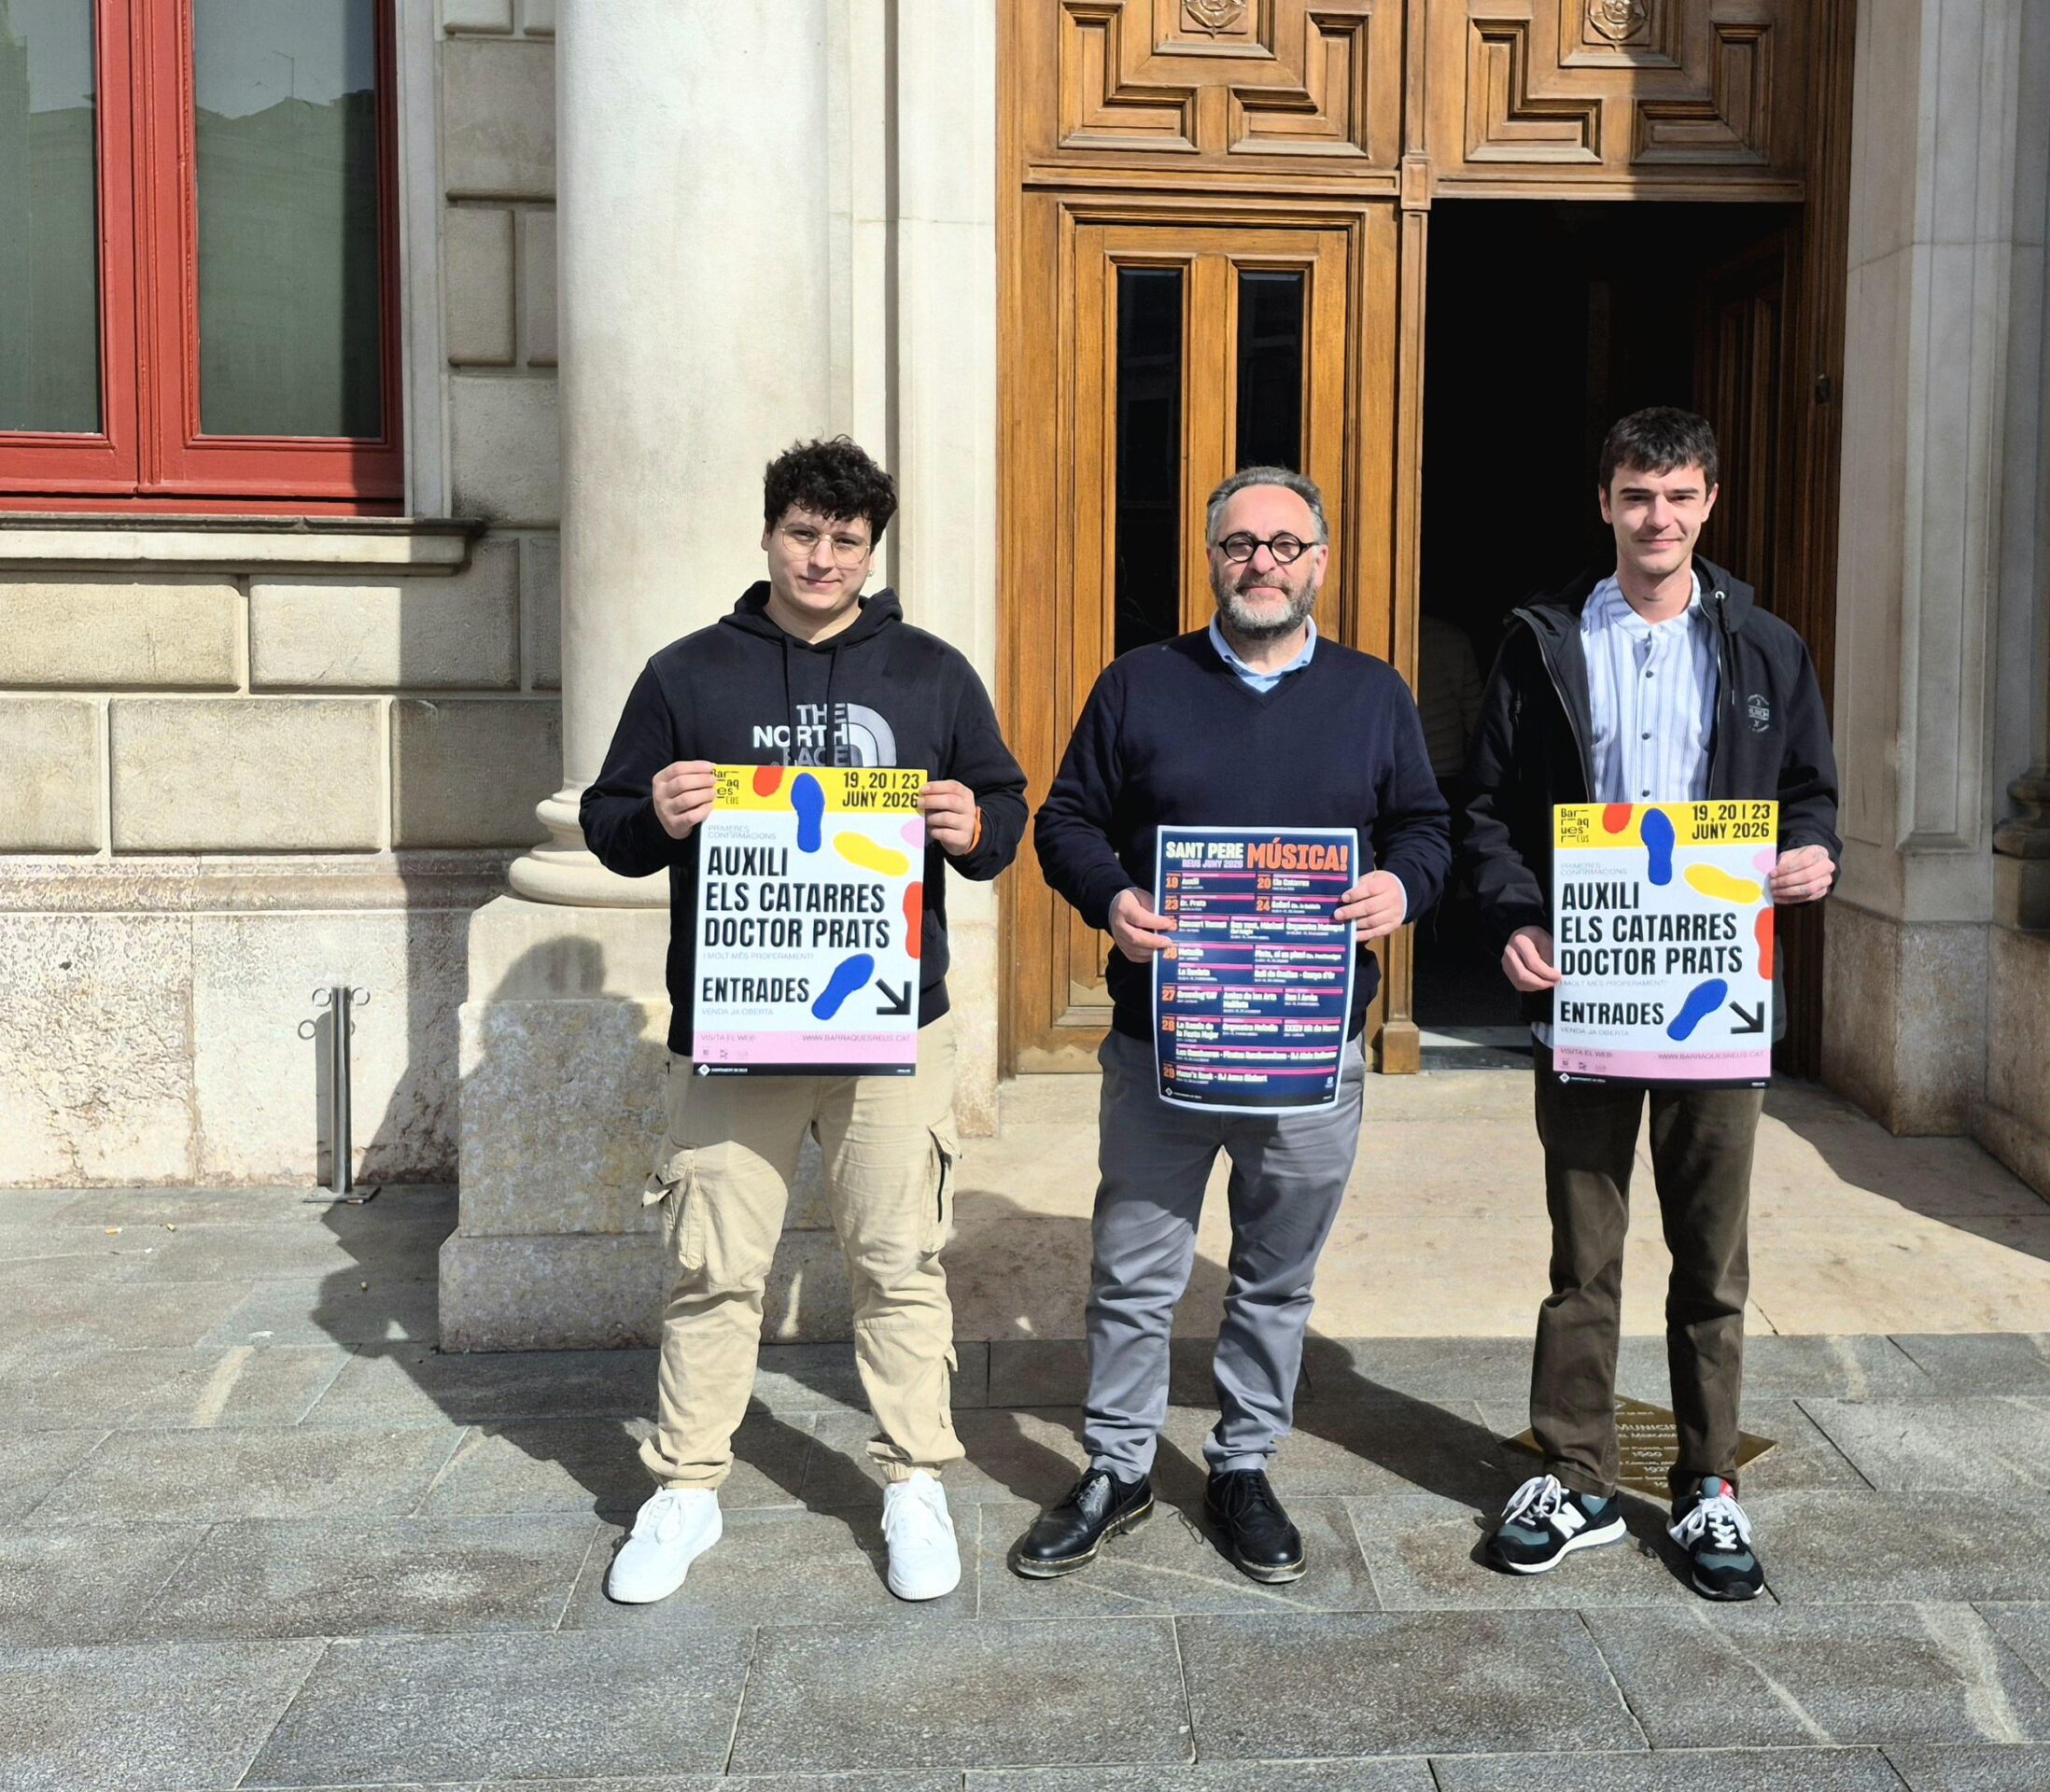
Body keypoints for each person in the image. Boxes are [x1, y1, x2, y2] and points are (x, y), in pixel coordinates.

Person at [579, 436, 1027, 1603]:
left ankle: (914, 1480)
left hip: (893, 1027)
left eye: (846, 540)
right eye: (803, 534)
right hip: (738, 1029)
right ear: (769, 532)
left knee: (899, 1261)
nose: (822, 558)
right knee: (714, 1266)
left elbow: (1004, 809)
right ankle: (685, 1489)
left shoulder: (930, 673)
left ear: (872, 552)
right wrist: (656, 811)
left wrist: (976, 826)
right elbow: (609, 825)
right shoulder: (687, 673)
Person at [1017, 465, 1450, 1583]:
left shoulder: (1371, 694)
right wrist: (1112, 898)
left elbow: (1425, 827)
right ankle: (1117, 1466)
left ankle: (1243, 1464)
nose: (1263, 563)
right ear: (1211, 559)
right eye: (1240, 544)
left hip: (1309, 1050)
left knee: (1274, 1274)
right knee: (1134, 1270)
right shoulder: (1139, 683)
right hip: (1162, 1045)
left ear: (1319, 563)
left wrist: (1401, 886)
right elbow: (1066, 821)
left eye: (1285, 545)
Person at [1457, 406, 1839, 1600]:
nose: (1655, 518)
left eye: (1676, 496)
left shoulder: (1765, 647)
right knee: (1583, 1254)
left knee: (1711, 1259)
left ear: (1708, 502)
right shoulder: (1545, 642)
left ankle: (1706, 1483)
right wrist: (1517, 917)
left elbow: (1810, 794)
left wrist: (1813, 854)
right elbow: (1486, 810)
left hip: (1714, 995)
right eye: (1635, 496)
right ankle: (1574, 1475)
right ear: (1605, 503)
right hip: (1588, 990)